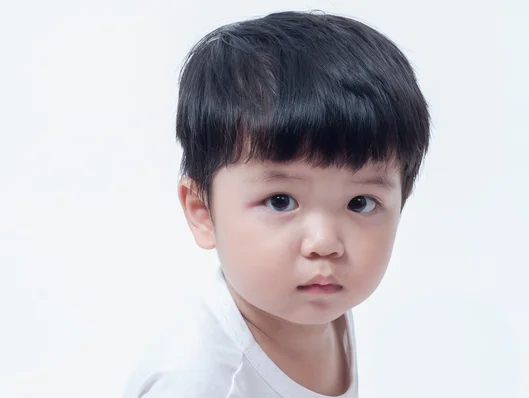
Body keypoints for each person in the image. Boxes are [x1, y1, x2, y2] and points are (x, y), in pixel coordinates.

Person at [123, 10, 430, 398]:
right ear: (203, 212)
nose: (324, 243)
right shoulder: (197, 382)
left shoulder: (323, 305)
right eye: (281, 201)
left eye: (360, 203)